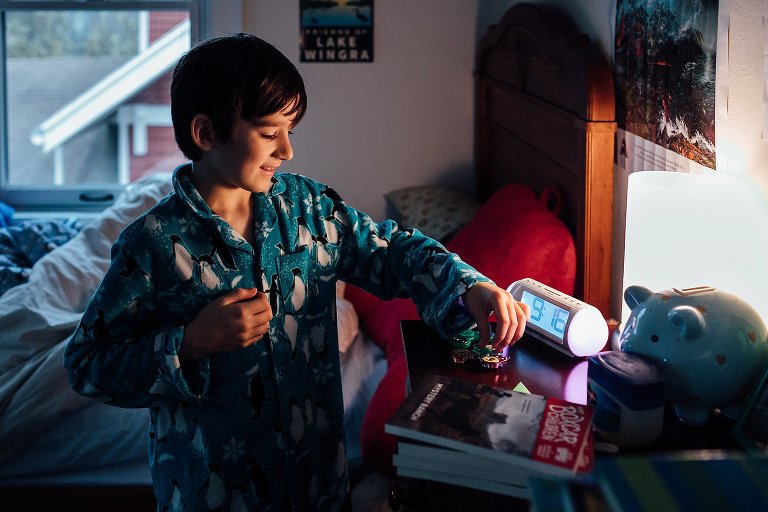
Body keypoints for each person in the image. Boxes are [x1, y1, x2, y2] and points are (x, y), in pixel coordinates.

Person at [64, 33, 529, 511]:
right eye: (269, 133)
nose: (286, 150)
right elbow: (87, 365)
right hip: (211, 492)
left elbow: (393, 251)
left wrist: (469, 285)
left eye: (292, 131)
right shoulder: (153, 244)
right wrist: (192, 341)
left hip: (316, 482)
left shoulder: (308, 209)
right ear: (206, 134)